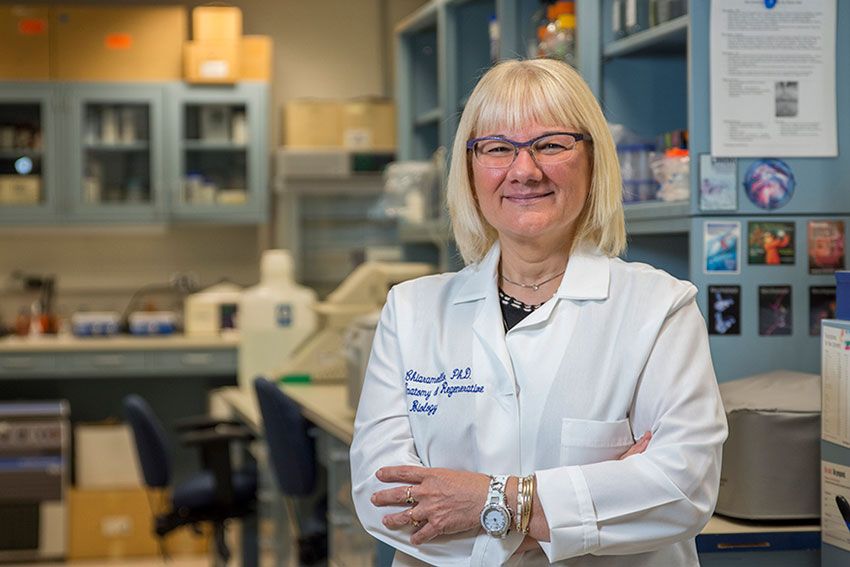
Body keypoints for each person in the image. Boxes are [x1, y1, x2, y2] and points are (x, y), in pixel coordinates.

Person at [350, 58, 727, 566]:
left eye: (551, 145)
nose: (524, 170)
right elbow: (384, 501)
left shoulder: (659, 308)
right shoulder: (412, 310)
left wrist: (487, 502)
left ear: (592, 161)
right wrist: (587, 506)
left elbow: (682, 490)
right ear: (470, 168)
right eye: (498, 148)